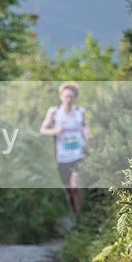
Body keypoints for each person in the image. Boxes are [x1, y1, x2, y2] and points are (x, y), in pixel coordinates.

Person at [39, 82, 93, 215]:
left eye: (71, 96)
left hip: (79, 153)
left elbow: (84, 126)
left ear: (75, 98)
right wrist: (55, 131)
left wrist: (87, 134)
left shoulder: (80, 112)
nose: (68, 99)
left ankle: (82, 214)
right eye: (66, 96)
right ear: (61, 96)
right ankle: (75, 214)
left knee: (75, 184)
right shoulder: (54, 112)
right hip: (62, 155)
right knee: (69, 189)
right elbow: (43, 130)